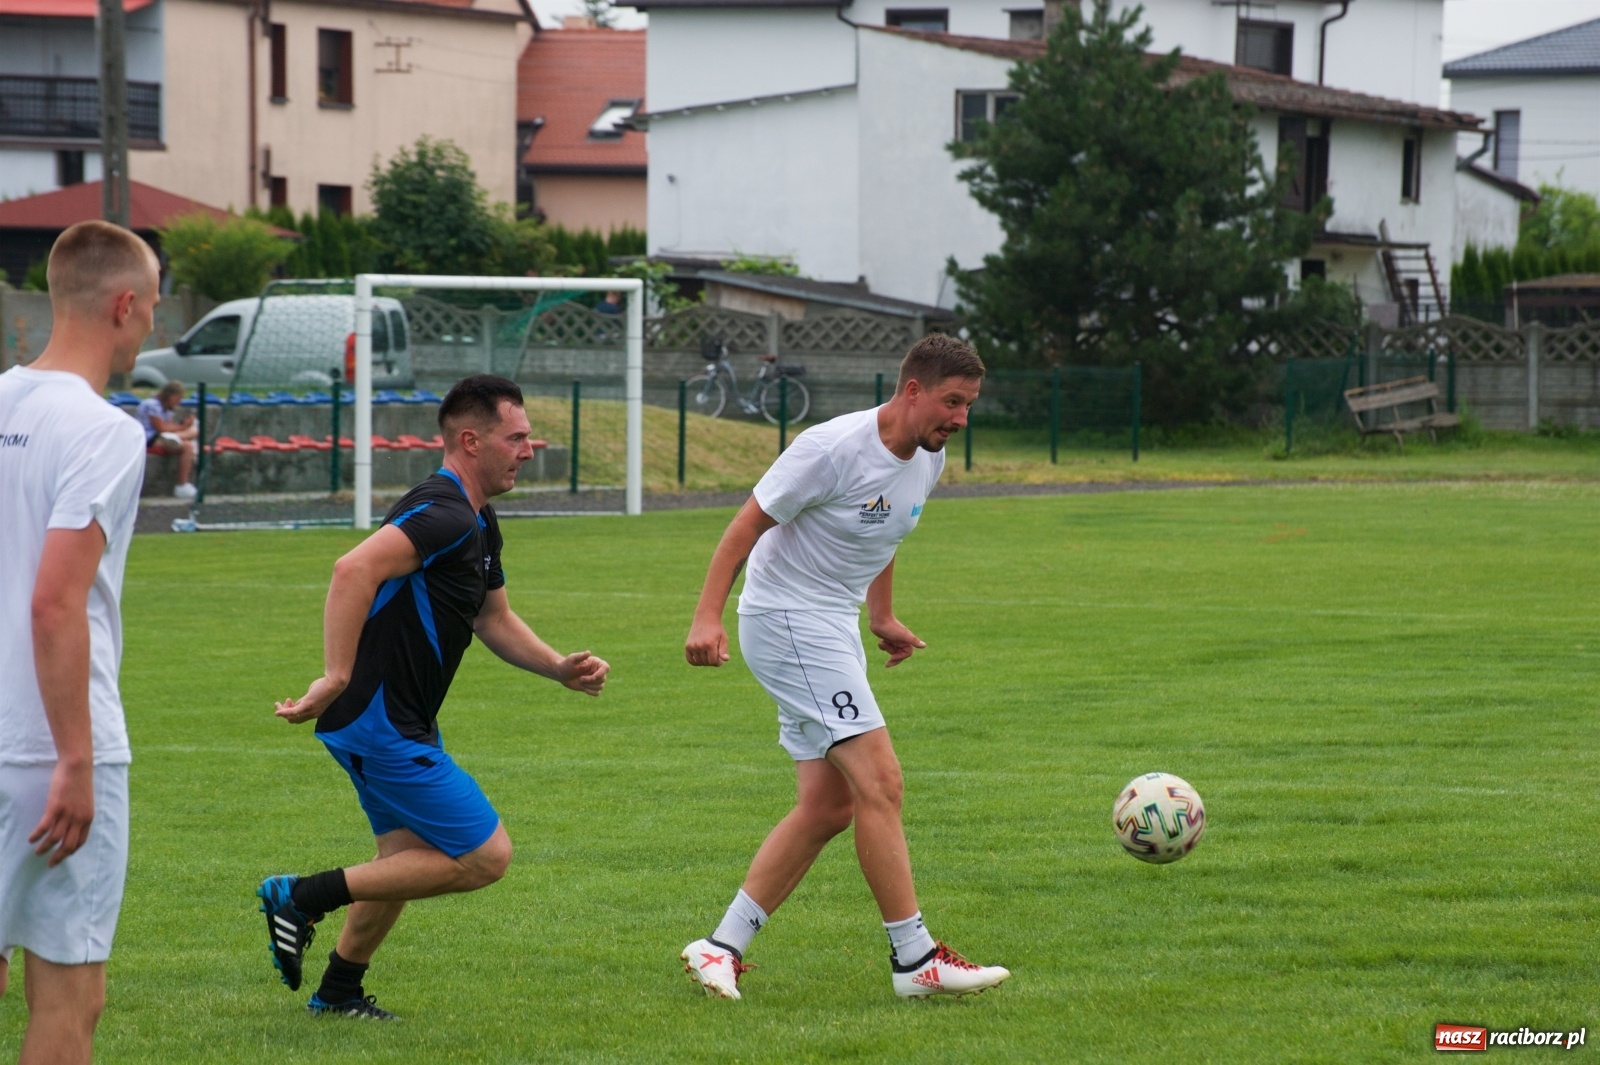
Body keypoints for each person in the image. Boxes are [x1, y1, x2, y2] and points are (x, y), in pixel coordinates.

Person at [259, 373, 610, 1020]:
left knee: (406, 859)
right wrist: (334, 675)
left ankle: (338, 991)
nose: (529, 448)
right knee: (484, 855)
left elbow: (493, 618)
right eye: (518, 437)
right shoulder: (445, 511)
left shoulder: (476, 519)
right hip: (377, 718)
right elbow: (352, 568)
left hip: (400, 719)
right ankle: (300, 895)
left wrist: (558, 667)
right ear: (471, 440)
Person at [680, 333, 1010, 1000]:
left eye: (969, 405)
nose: (961, 418)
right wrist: (706, 616)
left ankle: (718, 948)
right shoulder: (831, 448)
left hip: (830, 625)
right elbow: (743, 528)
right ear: (911, 390)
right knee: (880, 781)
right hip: (785, 618)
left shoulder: (926, 456)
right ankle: (915, 959)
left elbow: (884, 530)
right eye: (952, 401)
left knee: (828, 805)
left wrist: (882, 615)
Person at [0, 221, 160, 1063]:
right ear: (124, 306)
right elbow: (54, 603)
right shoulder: (107, 430)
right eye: (154, 309)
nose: (153, 329)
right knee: (70, 995)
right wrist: (76, 757)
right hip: (45, 748)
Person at [134, 380, 198, 499]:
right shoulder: (152, 404)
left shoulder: (167, 408)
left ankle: (183, 484)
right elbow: (161, 428)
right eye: (178, 398)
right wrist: (184, 427)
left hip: (162, 436)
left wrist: (183, 426)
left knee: (190, 439)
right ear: (171, 396)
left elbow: (170, 426)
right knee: (188, 444)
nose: (179, 402)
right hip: (149, 438)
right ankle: (182, 485)